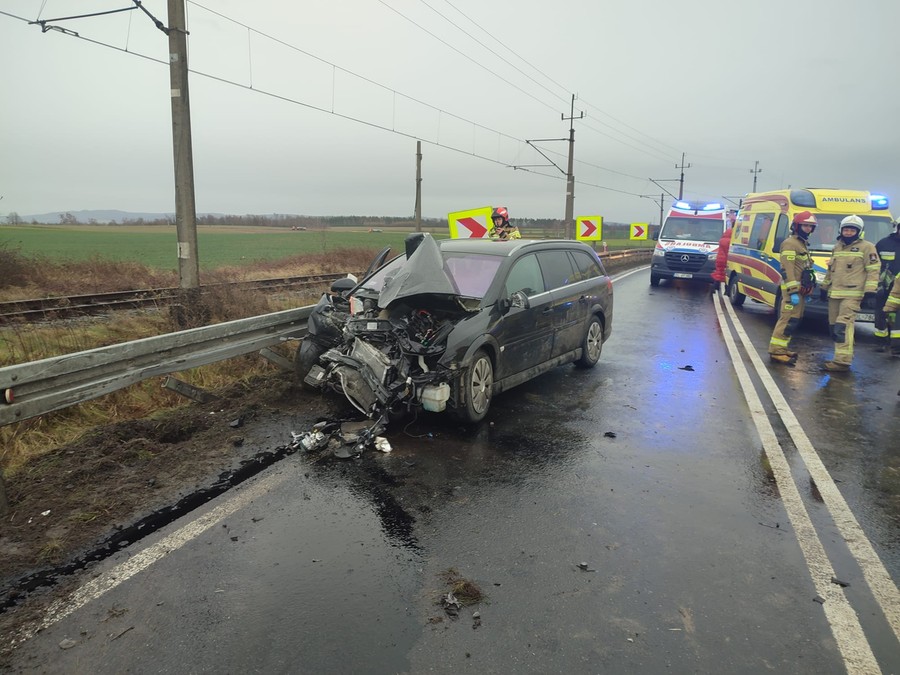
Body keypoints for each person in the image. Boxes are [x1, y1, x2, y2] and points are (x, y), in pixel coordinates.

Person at [819, 214, 881, 372]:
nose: (848, 232)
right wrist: (824, 288)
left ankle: (842, 362)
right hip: (835, 295)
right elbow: (830, 270)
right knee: (834, 327)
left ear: (858, 231)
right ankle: (844, 355)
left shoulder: (867, 247)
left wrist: (870, 293)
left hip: (853, 294)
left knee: (842, 326)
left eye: (852, 230)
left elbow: (873, 270)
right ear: (841, 230)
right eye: (846, 229)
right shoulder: (837, 247)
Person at [768, 211, 818, 364]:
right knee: (787, 320)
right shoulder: (790, 243)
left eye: (810, 226)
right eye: (805, 225)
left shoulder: (802, 243)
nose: (808, 228)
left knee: (793, 320)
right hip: (792, 291)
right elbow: (787, 269)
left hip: (800, 290)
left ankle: (782, 348)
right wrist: (793, 291)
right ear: (797, 226)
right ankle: (776, 351)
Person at [874, 218, 900, 355]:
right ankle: (881, 341)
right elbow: (874, 265)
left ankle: (896, 346)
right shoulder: (883, 244)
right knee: (881, 314)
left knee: (898, 317)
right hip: (884, 287)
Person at [710, 220, 734, 293]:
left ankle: (715, 287)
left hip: (719, 259)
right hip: (726, 259)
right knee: (727, 276)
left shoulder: (722, 240)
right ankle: (727, 291)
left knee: (718, 273)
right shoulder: (730, 242)